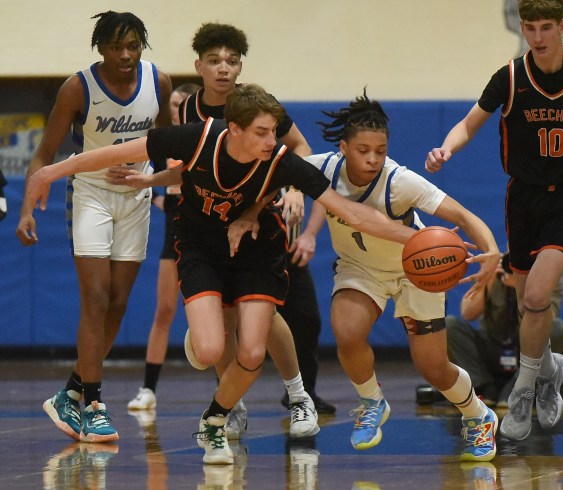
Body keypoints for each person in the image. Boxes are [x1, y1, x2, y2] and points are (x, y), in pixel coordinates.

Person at [26, 83, 418, 465]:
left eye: (274, 132)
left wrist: (413, 238)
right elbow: (110, 155)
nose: (271, 141)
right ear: (235, 130)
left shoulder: (280, 161)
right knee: (212, 350)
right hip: (202, 247)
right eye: (262, 133)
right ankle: (206, 332)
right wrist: (49, 173)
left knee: (251, 351)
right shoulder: (196, 139)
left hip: (256, 252)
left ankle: (214, 419)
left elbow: (351, 212)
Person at [125, 23, 331, 441]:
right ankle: (231, 405)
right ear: (199, 65)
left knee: (266, 313)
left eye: (232, 61)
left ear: (241, 67)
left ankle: (298, 395)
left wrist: (286, 192)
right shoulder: (189, 110)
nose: (224, 69)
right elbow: (185, 170)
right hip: (206, 223)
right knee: (223, 318)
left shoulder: (258, 106)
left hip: (256, 221)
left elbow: (301, 152)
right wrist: (150, 182)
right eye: (215, 61)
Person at [425, 0, 563, 441]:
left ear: (562, 26)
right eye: (530, 27)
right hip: (524, 199)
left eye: (546, 27)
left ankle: (524, 393)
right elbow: (470, 123)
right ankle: (550, 369)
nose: (537, 37)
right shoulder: (510, 77)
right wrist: (446, 148)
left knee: (535, 296)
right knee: (528, 305)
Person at [300, 90, 501, 461]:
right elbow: (275, 170)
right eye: (363, 150)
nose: (373, 158)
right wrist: (291, 194)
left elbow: (462, 217)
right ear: (343, 147)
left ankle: (478, 415)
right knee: (347, 332)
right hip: (359, 269)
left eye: (380, 149)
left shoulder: (399, 181)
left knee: (433, 368)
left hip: (417, 271)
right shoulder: (321, 168)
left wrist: (490, 248)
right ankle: (372, 401)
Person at [16, 11, 172, 443]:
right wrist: (27, 209)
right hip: (90, 196)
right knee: (96, 298)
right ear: (100, 48)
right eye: (116, 46)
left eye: (133, 46)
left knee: (119, 302)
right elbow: (43, 154)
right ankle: (95, 405)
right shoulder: (77, 87)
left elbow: (169, 149)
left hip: (136, 197)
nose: (125, 54)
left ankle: (69, 392)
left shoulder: (158, 83)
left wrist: (156, 182)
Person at [126, 82, 200, 414]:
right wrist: (163, 196)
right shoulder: (164, 144)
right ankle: (148, 389)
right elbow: (154, 190)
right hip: (174, 237)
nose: (175, 108)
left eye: (182, 103)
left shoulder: (207, 142)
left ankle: (229, 395)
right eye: (172, 103)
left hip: (205, 237)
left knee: (214, 317)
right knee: (164, 311)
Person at [445, 252, 563, 407]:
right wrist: (488, 281)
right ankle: (484, 386)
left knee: (557, 329)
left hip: (527, 351)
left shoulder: (548, 272)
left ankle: (518, 387)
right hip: (492, 346)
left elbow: (545, 322)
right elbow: (467, 313)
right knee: (450, 325)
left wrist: (521, 287)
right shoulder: (495, 266)